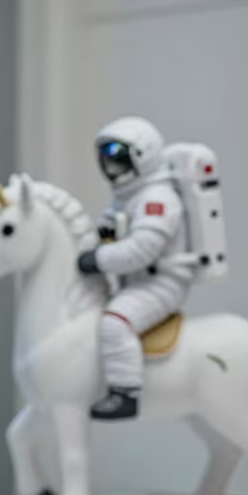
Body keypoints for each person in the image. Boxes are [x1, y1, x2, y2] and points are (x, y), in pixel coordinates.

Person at [76, 116, 196, 420]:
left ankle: (125, 391)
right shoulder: (128, 196)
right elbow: (109, 233)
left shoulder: (158, 199)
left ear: (143, 156)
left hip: (161, 283)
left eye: (118, 157)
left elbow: (141, 250)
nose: (111, 166)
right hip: (133, 280)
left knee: (115, 322)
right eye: (106, 158)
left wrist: (98, 259)